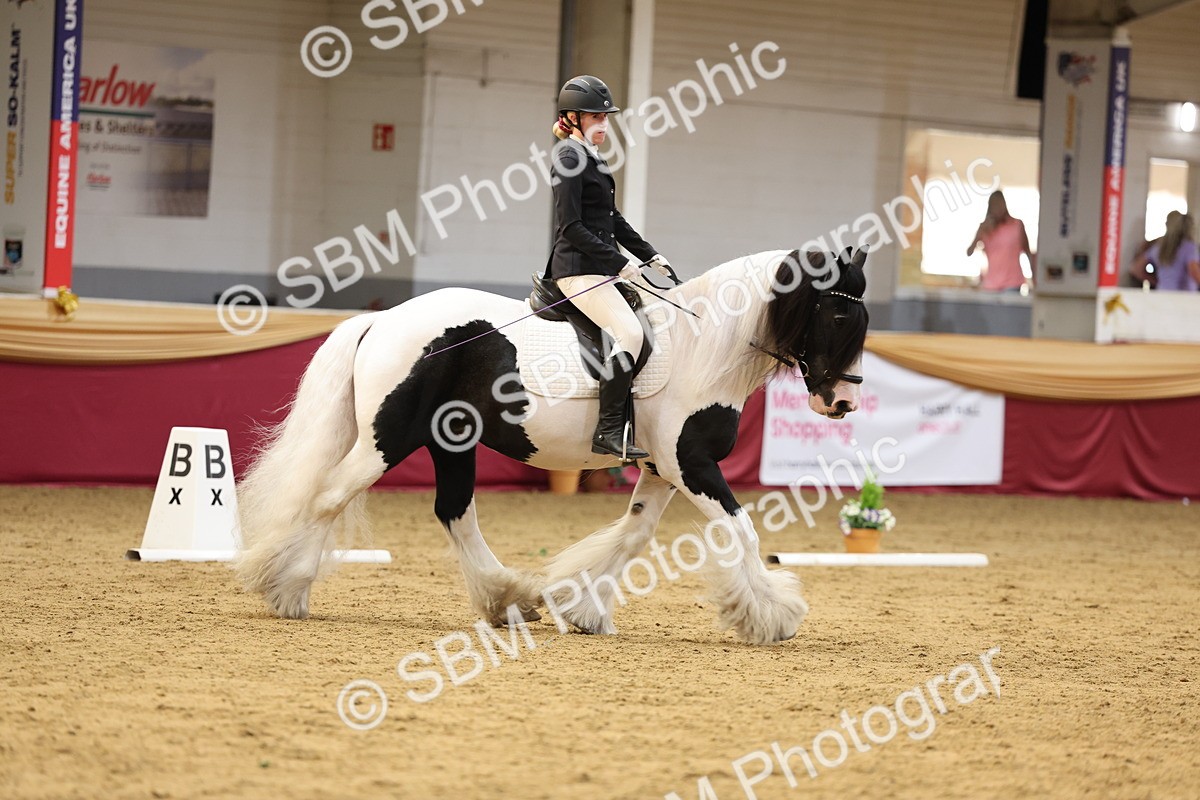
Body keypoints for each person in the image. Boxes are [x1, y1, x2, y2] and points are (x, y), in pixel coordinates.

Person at [545, 75, 673, 461]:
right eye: (596, 118)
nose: (603, 125)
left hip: (598, 269)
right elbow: (571, 226)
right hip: (576, 270)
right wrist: (619, 262)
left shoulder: (590, 156)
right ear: (573, 118)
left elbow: (610, 217)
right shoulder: (567, 158)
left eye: (605, 118)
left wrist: (649, 255)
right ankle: (609, 431)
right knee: (630, 334)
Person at [967, 190, 1034, 291]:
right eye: (994, 205)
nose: (997, 208)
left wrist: (1034, 278)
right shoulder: (985, 228)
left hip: (1012, 283)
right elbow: (969, 252)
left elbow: (1027, 251)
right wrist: (980, 233)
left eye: (1000, 204)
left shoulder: (1017, 225)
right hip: (990, 284)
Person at [1132, 211, 1200, 291]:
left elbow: (1135, 269)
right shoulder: (1189, 247)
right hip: (1183, 297)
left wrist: (1156, 282)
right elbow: (1194, 272)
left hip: (1162, 292)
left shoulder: (1158, 246)